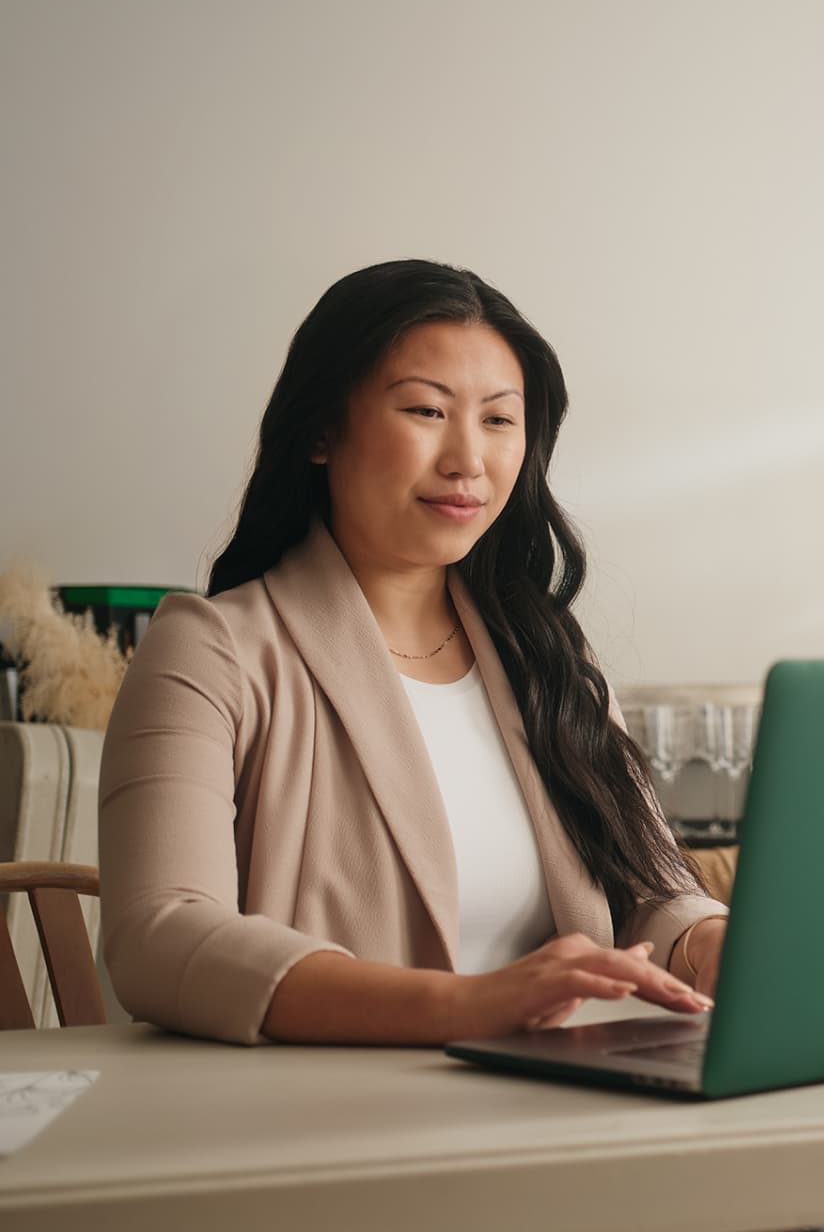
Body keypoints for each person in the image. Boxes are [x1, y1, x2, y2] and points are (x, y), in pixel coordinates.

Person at [99, 260, 728, 1045]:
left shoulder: (547, 654)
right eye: (428, 410)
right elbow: (159, 936)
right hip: (335, 1123)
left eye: (500, 420)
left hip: (566, 1104)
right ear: (322, 430)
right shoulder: (212, 651)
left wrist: (702, 936)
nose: (469, 458)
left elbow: (643, 882)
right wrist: (467, 1003)